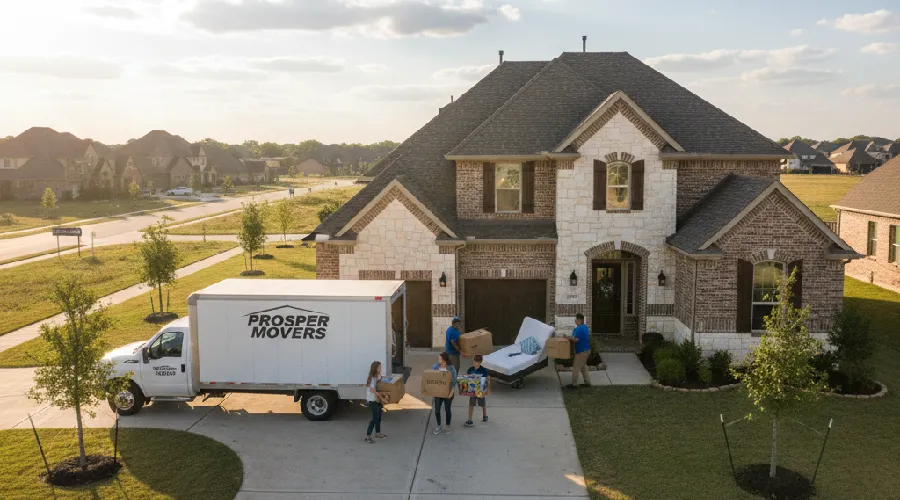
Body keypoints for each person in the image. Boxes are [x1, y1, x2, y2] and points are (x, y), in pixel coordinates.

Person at [432, 352, 458, 435]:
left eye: (440, 359)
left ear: (444, 360)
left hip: (448, 392)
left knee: (447, 409)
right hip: (438, 392)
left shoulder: (451, 368)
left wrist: (449, 389)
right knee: (437, 410)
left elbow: (454, 380)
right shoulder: (435, 367)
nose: (438, 360)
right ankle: (439, 426)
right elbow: (431, 378)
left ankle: (447, 426)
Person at [564, 313, 592, 389]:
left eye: (576, 319)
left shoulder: (579, 329)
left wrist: (567, 337)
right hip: (586, 350)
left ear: (580, 320)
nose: (575, 320)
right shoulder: (584, 327)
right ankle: (587, 382)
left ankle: (574, 384)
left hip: (581, 352)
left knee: (576, 367)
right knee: (583, 366)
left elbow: (576, 340)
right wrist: (570, 337)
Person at [364, 360, 388, 443]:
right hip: (373, 400)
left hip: (377, 400)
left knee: (379, 417)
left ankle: (378, 433)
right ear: (375, 368)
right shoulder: (370, 378)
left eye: (380, 367)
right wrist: (380, 396)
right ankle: (367, 436)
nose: (380, 369)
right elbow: (372, 390)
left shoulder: (377, 376)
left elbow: (382, 379)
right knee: (374, 418)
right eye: (379, 367)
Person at [464, 354, 488, 427]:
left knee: (482, 404)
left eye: (478, 362)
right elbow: (466, 377)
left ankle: (484, 416)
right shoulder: (470, 369)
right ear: (473, 361)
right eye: (475, 362)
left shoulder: (483, 370)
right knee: (471, 405)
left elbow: (486, 380)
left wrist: (486, 390)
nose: (476, 363)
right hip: (472, 390)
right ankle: (470, 420)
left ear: (480, 362)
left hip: (480, 390)